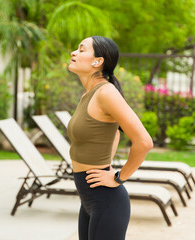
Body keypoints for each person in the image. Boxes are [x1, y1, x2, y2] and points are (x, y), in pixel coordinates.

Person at [67, 36, 153, 240]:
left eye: (81, 50)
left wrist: (118, 177)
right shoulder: (89, 94)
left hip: (106, 201)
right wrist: (105, 162)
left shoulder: (106, 92)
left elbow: (144, 142)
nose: (73, 53)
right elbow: (114, 132)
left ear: (97, 61)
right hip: (89, 199)